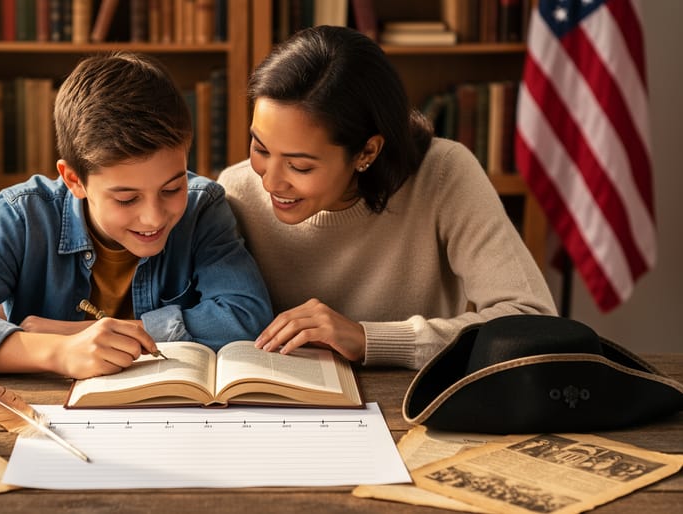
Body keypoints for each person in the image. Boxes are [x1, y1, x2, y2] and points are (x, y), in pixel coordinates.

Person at [0, 52, 272, 378]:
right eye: (127, 199)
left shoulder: (202, 207)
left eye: (171, 189)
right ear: (74, 180)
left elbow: (247, 315)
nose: (153, 218)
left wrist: (76, 331)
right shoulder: (23, 216)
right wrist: (56, 351)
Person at [217, 26, 556, 370]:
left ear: (367, 151)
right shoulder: (237, 191)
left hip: (415, 406)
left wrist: (368, 339)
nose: (270, 181)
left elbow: (533, 321)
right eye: (260, 148)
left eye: (299, 166)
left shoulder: (441, 174)